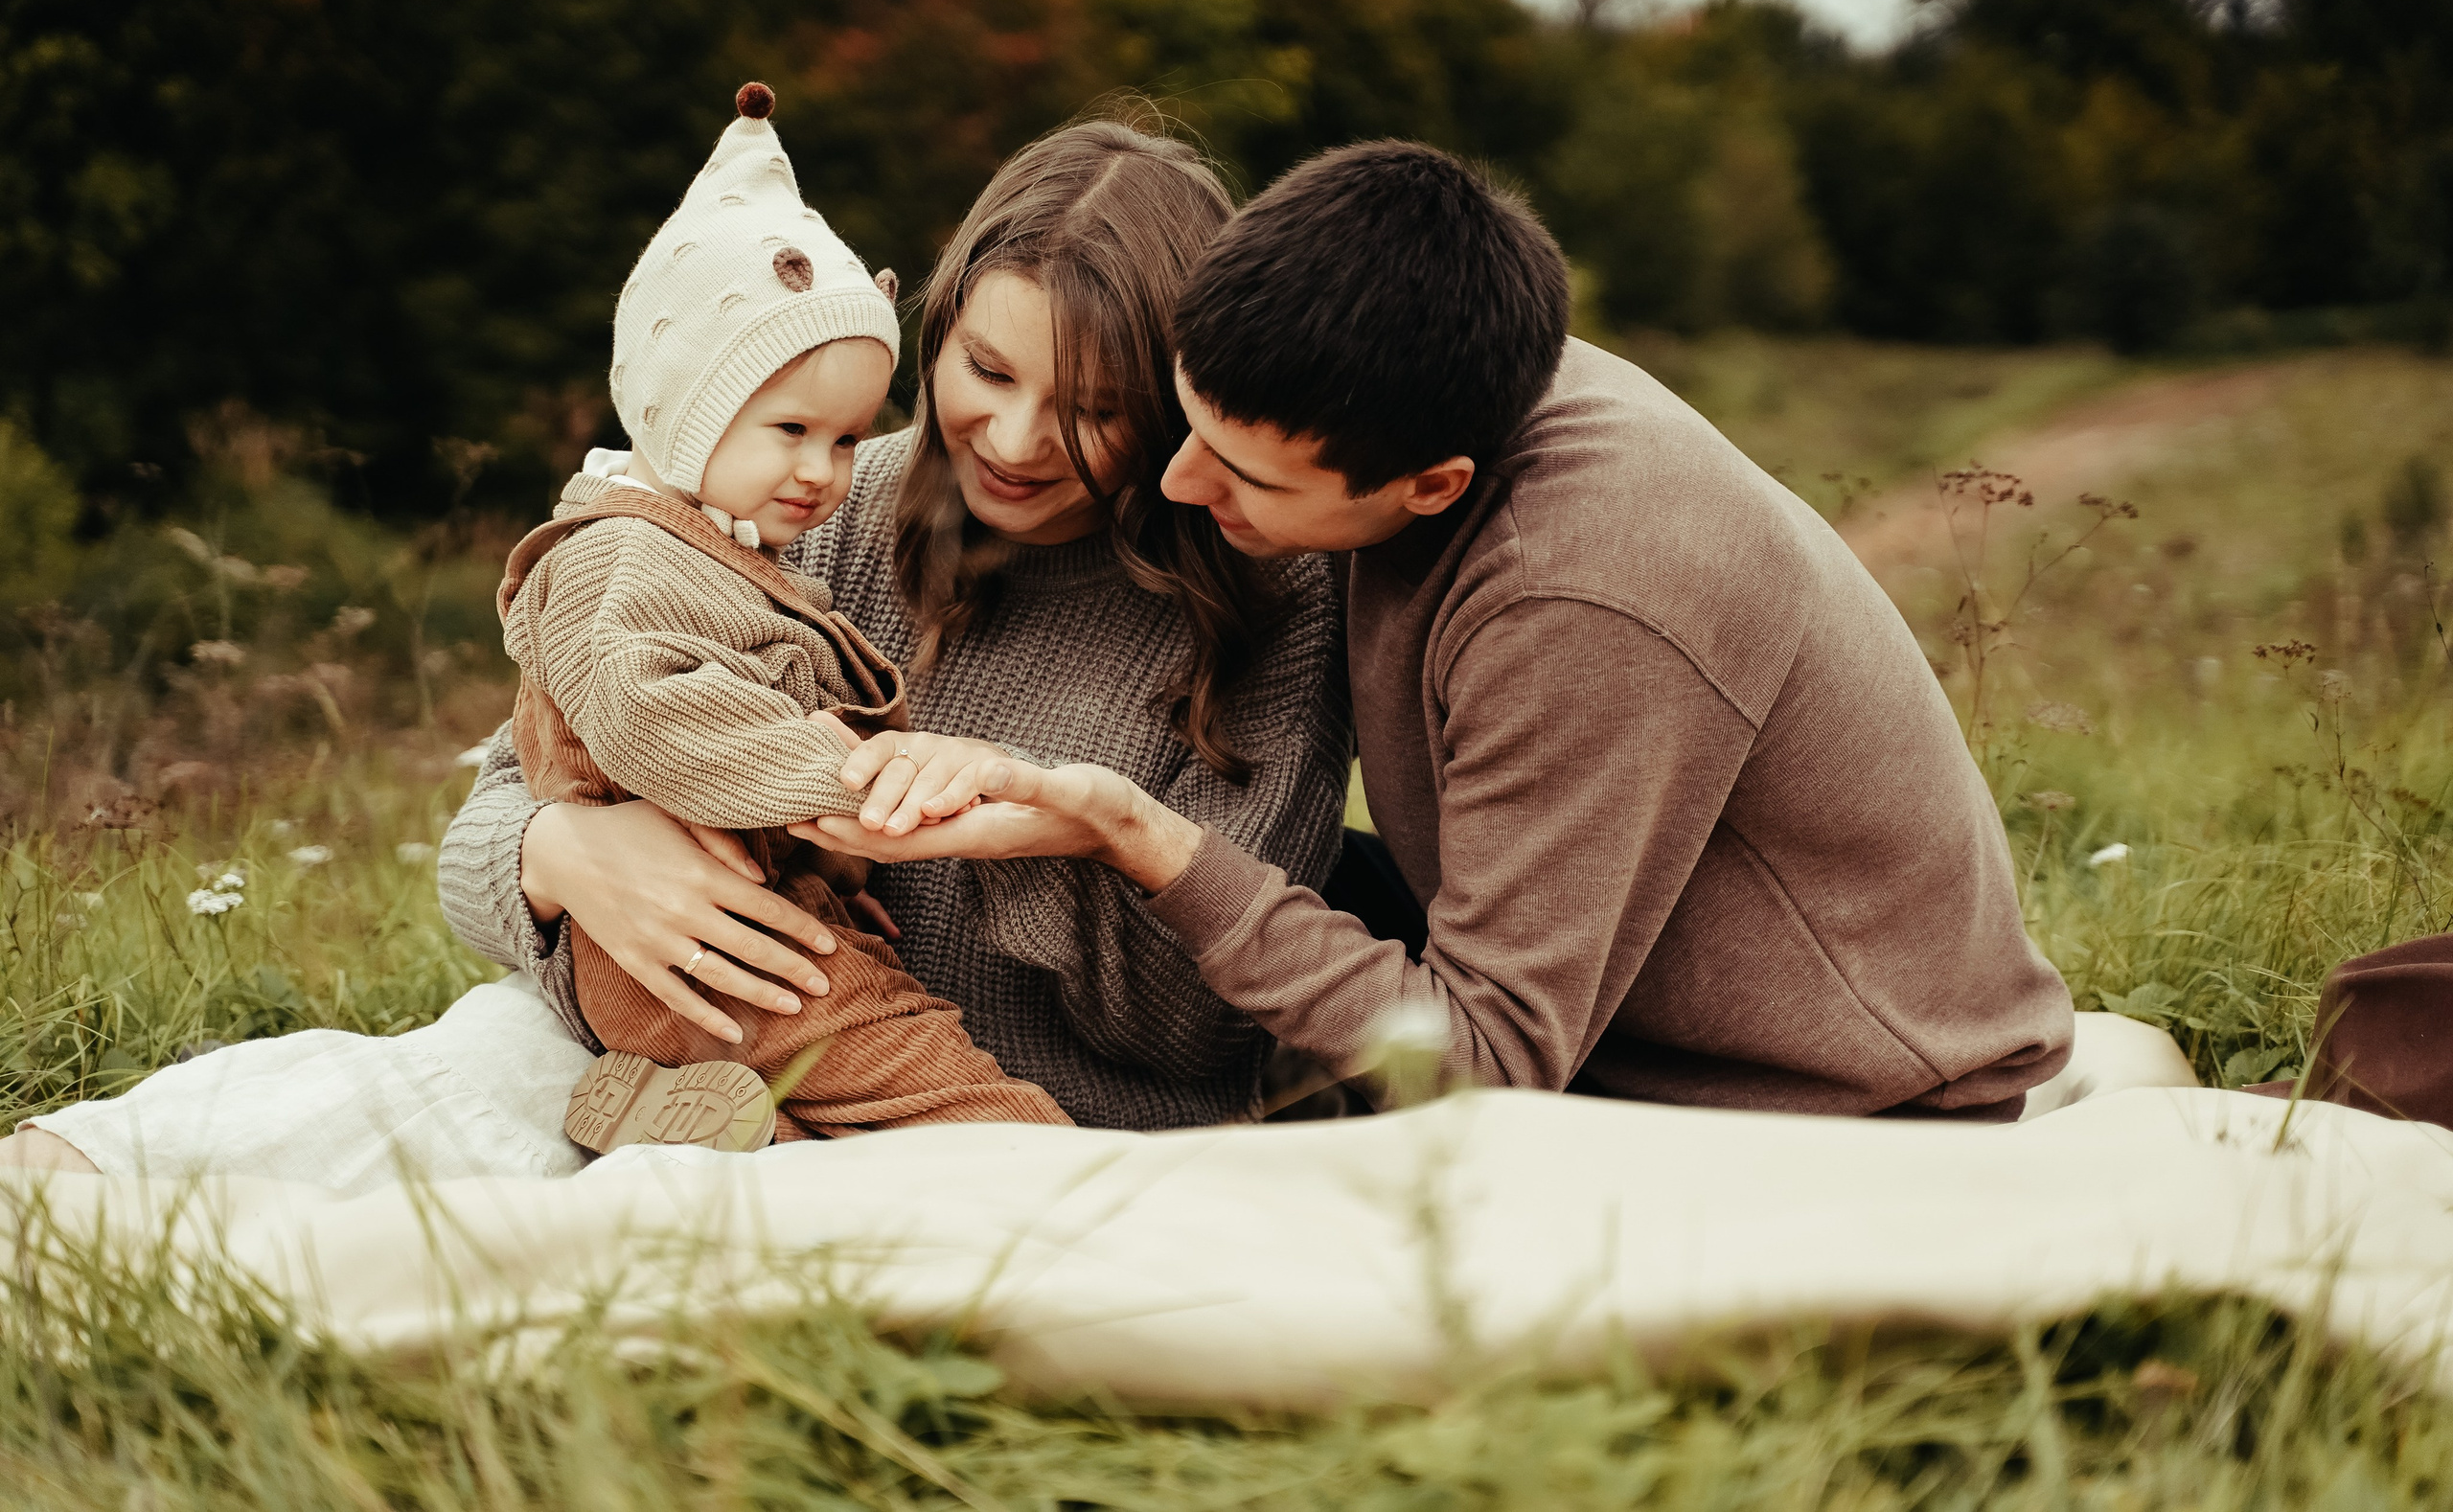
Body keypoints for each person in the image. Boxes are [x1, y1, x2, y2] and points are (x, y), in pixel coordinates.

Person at [6, 114, 1345, 1186]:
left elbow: (1195, 1029)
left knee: (635, 1207)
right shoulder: (819, 498)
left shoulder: (1264, 595)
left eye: (1096, 408)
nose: (1014, 438)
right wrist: (568, 858)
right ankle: (67, 1190)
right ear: (936, 331)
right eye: (986, 371)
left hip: (1038, 1131)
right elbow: (493, 811)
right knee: (467, 1066)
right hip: (719, 1048)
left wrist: (1035, 831)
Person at [807, 141, 2078, 1122]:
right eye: (1183, 421)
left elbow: (1494, 1059)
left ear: (1431, 487)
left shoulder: (1575, 595)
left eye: (1243, 476)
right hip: (1589, 1010)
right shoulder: (1394, 365)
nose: (1183, 487)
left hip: (1805, 1099)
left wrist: (1127, 827)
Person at [501, 82, 1068, 1152]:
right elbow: (650, 712)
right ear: (682, 411)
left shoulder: (731, 542)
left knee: (851, 1100)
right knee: (947, 1092)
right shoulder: (621, 554)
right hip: (681, 938)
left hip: (737, 936)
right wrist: (845, 784)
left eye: (849, 439)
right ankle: (1054, 1183)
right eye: (791, 429)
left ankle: (695, 1131)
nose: (821, 472)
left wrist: (837, 866)